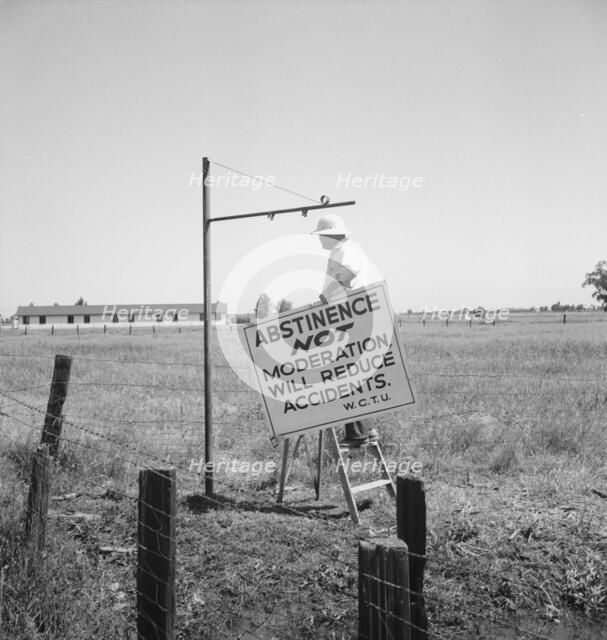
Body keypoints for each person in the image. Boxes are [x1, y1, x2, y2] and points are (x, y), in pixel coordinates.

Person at [311, 213, 379, 447]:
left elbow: (347, 274)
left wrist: (326, 295)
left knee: (346, 372)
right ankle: (366, 430)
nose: (320, 240)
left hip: (349, 312)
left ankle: (358, 434)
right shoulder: (343, 249)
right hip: (350, 312)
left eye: (321, 235)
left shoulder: (345, 249)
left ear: (329, 234)